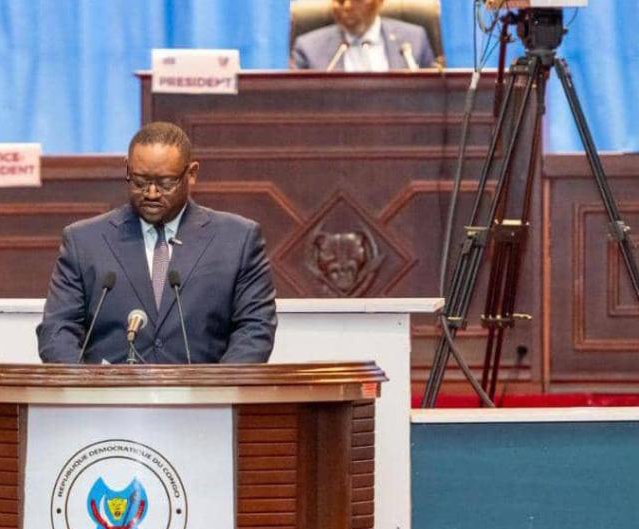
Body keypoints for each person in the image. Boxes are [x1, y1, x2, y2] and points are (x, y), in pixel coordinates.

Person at [36, 122, 277, 364]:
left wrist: (215, 393)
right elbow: (57, 329)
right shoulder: (85, 241)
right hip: (107, 398)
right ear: (127, 169)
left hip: (204, 397)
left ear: (191, 174)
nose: (151, 193)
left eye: (166, 183)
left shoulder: (237, 239)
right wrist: (84, 390)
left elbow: (255, 329)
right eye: (140, 181)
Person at [291, 0, 436, 71]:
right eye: (340, 1)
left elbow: (432, 98)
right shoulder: (308, 48)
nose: (347, 6)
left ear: (379, 2)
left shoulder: (414, 39)